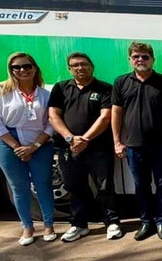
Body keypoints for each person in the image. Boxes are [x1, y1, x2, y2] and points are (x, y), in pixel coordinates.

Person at [0, 51, 57, 246]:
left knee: (43, 184)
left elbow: (51, 123)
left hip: (39, 142)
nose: (22, 70)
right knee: (19, 187)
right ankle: (27, 226)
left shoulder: (45, 94)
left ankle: (49, 224)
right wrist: (17, 147)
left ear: (34, 68)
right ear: (11, 70)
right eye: (17, 67)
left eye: (27, 66)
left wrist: (34, 146)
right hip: (8, 142)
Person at [48, 52, 122, 242]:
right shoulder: (61, 88)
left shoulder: (105, 88)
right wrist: (70, 138)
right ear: (69, 69)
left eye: (84, 64)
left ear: (92, 66)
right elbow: (53, 116)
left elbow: (105, 117)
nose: (80, 68)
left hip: (98, 147)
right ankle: (79, 225)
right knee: (74, 187)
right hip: (69, 148)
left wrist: (85, 139)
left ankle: (112, 222)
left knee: (105, 186)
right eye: (75, 65)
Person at [112, 42, 162, 241]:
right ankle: (146, 222)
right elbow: (116, 113)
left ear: (152, 59)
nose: (140, 60)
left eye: (144, 57)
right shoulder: (121, 82)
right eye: (136, 56)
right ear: (130, 59)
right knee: (141, 185)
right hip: (133, 145)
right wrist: (117, 141)